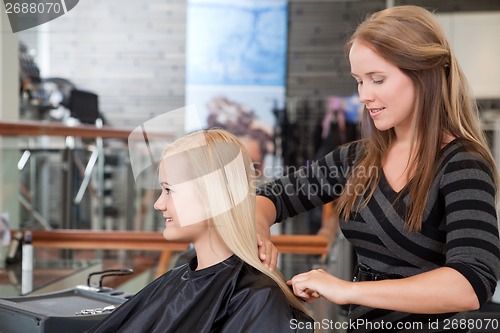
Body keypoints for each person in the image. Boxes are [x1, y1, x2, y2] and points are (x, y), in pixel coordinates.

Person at [255, 5, 500, 332]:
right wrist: (259, 228)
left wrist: (347, 290)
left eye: (377, 79)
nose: (364, 96)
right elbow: (273, 196)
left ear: (425, 73)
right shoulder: (356, 160)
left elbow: (471, 283)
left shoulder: (462, 164)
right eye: (359, 81)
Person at [88, 129, 313, 333]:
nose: (158, 204)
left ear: (212, 197)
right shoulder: (180, 275)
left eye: (168, 190)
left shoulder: (255, 297)